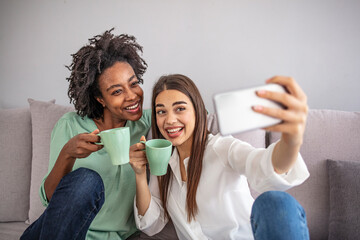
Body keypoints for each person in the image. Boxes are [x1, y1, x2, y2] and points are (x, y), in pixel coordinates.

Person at [130, 74, 311, 240]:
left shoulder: (221, 148)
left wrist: (292, 139)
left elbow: (266, 165)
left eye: (180, 109)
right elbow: (151, 223)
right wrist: (139, 173)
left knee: (275, 202)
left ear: (198, 111)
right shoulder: (162, 161)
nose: (169, 120)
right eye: (161, 111)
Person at [21, 28, 151, 240]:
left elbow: (193, 115)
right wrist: (68, 154)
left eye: (134, 84)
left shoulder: (147, 123)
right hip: (59, 233)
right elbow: (52, 200)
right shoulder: (71, 126)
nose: (132, 96)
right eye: (117, 91)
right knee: (86, 180)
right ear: (100, 99)